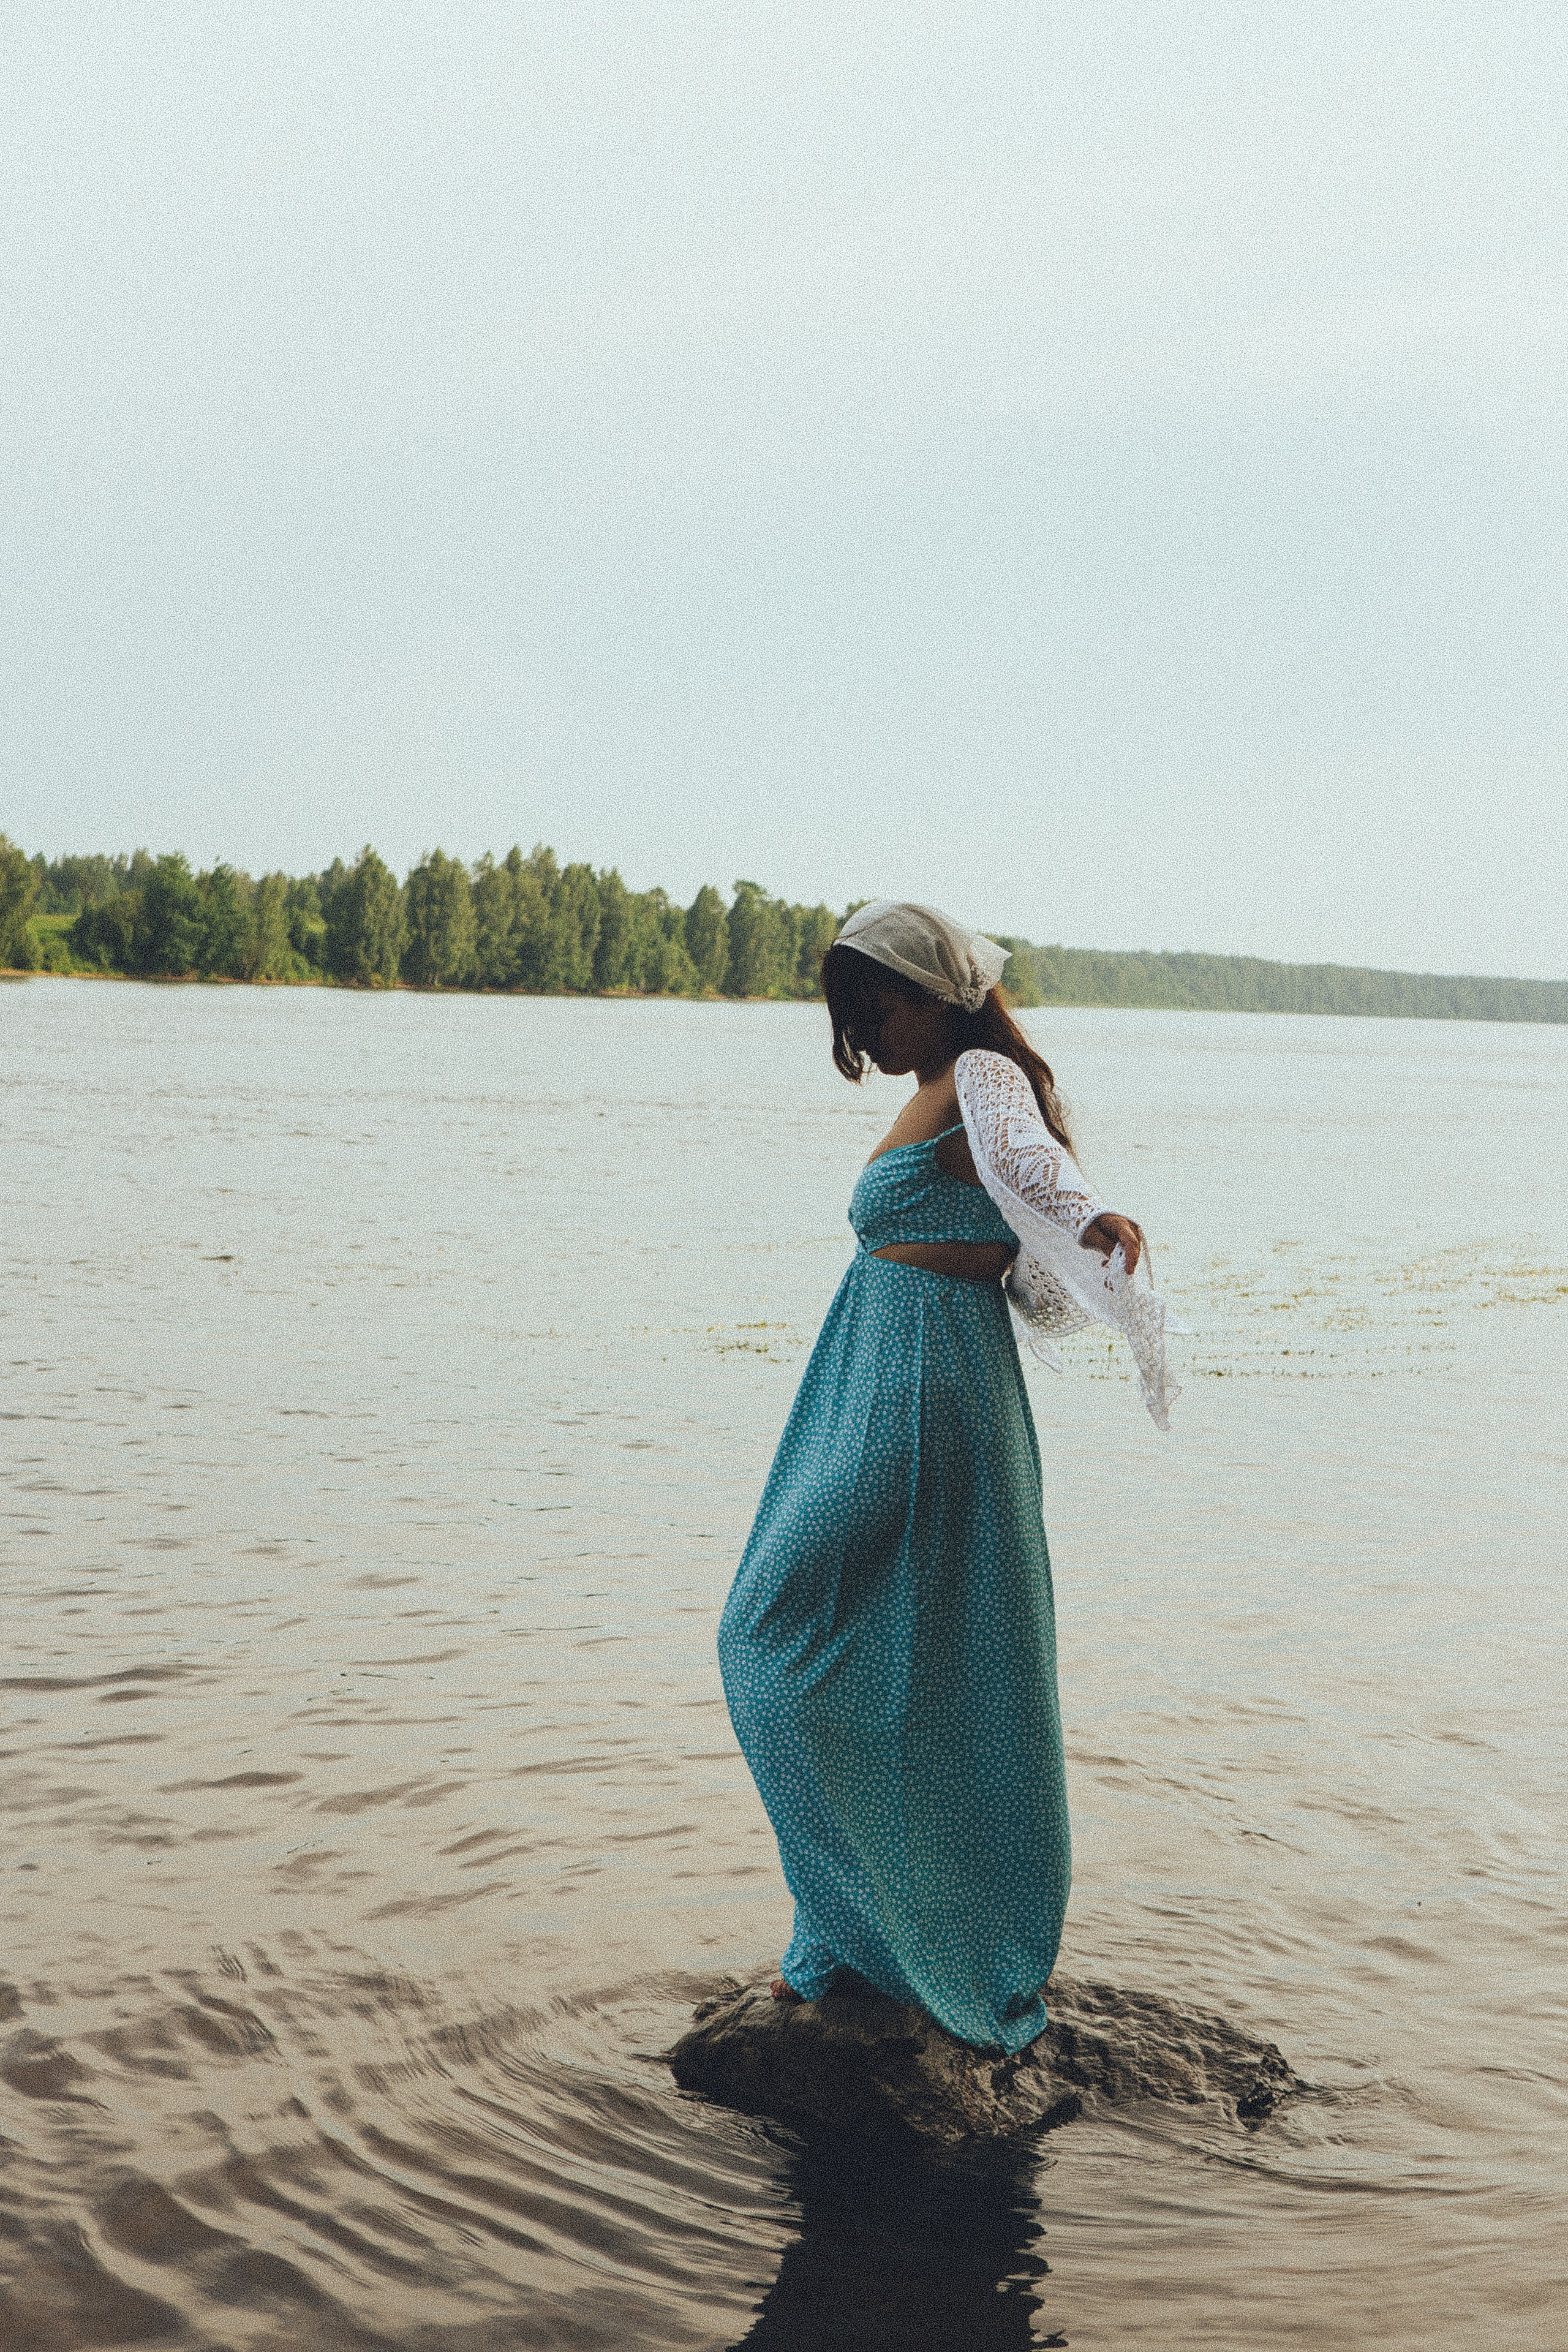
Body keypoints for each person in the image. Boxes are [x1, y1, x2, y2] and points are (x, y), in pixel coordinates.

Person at [717, 900, 1176, 2053]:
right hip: (879, 1375)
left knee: (776, 1635)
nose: (866, 1033)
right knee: (882, 1654)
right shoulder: (945, 1086)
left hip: (922, 1392)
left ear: (936, 993)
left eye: (877, 1007)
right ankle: (842, 1930)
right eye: (853, 1015)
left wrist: (1092, 1216)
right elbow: (1005, 1221)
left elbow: (1034, 1172)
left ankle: (887, 1940)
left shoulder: (982, 1078)